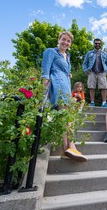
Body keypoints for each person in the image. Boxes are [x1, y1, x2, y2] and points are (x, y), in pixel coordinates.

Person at [41, 31, 87, 162]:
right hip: (58, 85)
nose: (66, 42)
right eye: (64, 39)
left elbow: (64, 70)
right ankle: (71, 146)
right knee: (67, 117)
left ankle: (66, 149)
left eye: (68, 41)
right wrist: (45, 89)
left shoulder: (67, 56)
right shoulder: (51, 51)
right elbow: (45, 71)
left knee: (66, 118)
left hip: (66, 86)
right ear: (59, 39)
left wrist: (68, 74)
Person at [82, 38, 107, 107]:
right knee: (91, 87)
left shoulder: (105, 54)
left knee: (104, 87)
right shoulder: (89, 53)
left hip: (102, 72)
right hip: (92, 72)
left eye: (99, 43)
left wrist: (106, 72)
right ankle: (92, 102)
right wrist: (86, 70)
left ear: (101, 44)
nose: (97, 44)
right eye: (96, 43)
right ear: (94, 44)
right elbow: (84, 63)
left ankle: (104, 103)